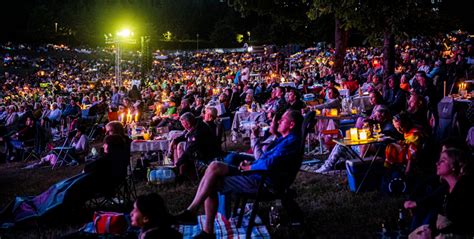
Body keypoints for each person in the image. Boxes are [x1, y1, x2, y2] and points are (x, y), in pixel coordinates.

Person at [174, 110, 303, 239]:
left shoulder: (291, 142)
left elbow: (269, 163)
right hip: (258, 174)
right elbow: (265, 159)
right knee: (214, 167)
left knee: (211, 181)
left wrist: (250, 167)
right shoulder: (284, 139)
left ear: (291, 125)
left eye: (283, 119)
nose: (279, 121)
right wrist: (253, 159)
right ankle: (192, 212)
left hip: (262, 180)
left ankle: (205, 228)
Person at [404, 148, 474, 237]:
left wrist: (434, 232)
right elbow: (431, 199)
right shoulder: (445, 188)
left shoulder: (465, 187)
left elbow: (464, 223)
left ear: (454, 165)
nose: (437, 163)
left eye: (443, 161)